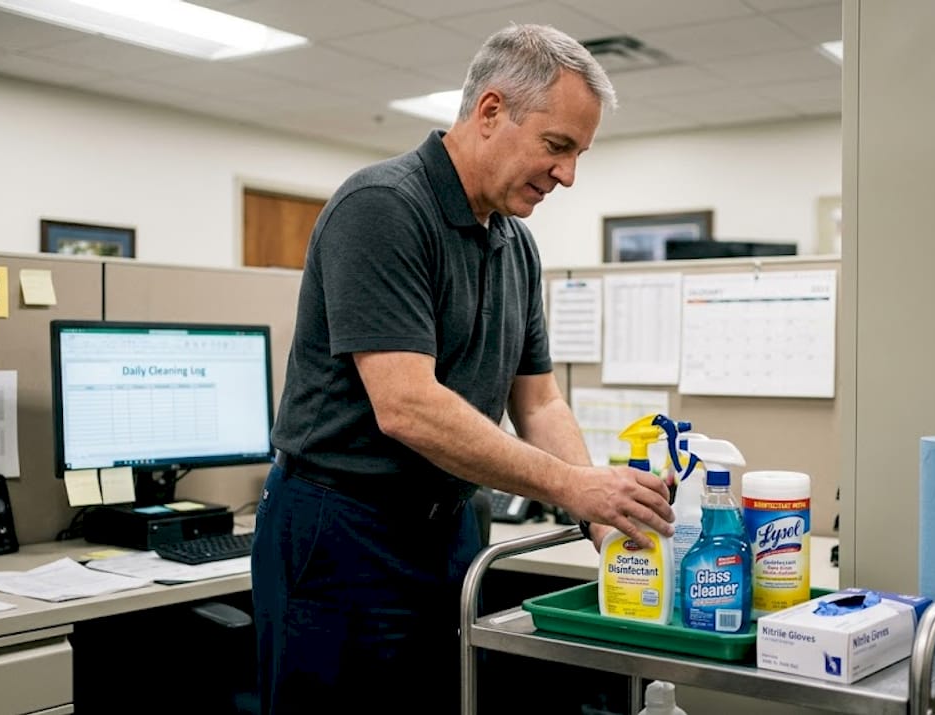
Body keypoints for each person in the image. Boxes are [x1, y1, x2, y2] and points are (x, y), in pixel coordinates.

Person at [250, 23, 675, 713]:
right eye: (557, 146)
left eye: (579, 154)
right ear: (491, 111)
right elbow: (407, 405)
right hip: (343, 530)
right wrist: (575, 485)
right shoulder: (383, 208)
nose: (568, 174)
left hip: (449, 529)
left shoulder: (515, 243)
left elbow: (539, 402)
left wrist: (603, 519)